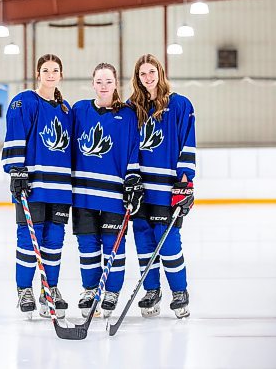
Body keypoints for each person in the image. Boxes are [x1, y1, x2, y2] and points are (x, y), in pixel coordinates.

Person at [1, 54, 72, 319]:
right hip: (32, 185)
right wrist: (16, 169)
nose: (50, 74)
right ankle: (24, 289)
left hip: (61, 187)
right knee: (29, 239)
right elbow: (15, 135)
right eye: (46, 70)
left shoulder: (65, 108)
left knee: (54, 240)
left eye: (55, 70)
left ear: (61, 74)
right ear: (37, 73)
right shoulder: (24, 102)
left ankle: (49, 289)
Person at [72, 63, 143, 318]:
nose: (103, 86)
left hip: (115, 195)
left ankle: (111, 291)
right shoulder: (79, 110)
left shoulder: (128, 115)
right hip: (84, 194)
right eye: (99, 81)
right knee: (88, 245)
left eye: (108, 82)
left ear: (116, 84)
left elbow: (134, 149)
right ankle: (90, 289)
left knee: (114, 246)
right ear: (92, 83)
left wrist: (133, 180)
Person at [129, 54, 196, 319]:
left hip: (167, 188)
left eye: (151, 72)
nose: (148, 78)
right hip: (141, 189)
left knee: (168, 243)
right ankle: (152, 291)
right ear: (138, 78)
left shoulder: (180, 104)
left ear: (160, 72)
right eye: (142, 74)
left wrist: (185, 181)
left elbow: (187, 142)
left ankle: (180, 292)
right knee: (144, 243)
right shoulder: (133, 107)